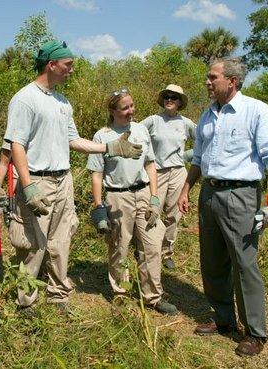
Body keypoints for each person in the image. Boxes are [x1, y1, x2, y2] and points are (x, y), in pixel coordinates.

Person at [4, 40, 143, 312]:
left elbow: (74, 140)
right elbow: (16, 144)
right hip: (37, 180)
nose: (71, 70)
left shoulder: (62, 102)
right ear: (51, 64)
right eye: (68, 65)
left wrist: (110, 147)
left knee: (61, 239)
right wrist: (28, 185)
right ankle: (26, 302)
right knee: (33, 243)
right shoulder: (25, 98)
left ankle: (58, 295)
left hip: (62, 179)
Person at [177, 57, 268, 357]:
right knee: (212, 261)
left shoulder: (256, 111)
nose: (207, 82)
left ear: (232, 81)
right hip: (210, 193)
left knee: (244, 264)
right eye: (208, 77)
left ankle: (254, 332)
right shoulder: (207, 116)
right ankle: (223, 318)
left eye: (213, 77)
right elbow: (198, 158)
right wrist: (187, 188)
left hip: (241, 195)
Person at [87, 88, 178, 314]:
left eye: (132, 106)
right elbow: (96, 174)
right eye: (125, 108)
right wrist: (99, 206)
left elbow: (150, 164)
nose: (131, 111)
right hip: (118, 197)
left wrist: (155, 198)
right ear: (112, 111)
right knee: (120, 246)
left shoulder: (140, 130)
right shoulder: (102, 136)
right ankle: (122, 292)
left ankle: (152, 297)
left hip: (144, 193)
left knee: (152, 245)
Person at [140, 84, 196, 269]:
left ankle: (166, 253)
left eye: (173, 97)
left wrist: (188, 155)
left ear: (180, 102)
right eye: (167, 97)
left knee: (174, 214)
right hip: (157, 171)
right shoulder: (153, 120)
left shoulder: (186, 123)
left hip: (179, 172)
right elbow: (135, 135)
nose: (169, 100)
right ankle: (148, 249)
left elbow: (205, 141)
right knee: (152, 211)